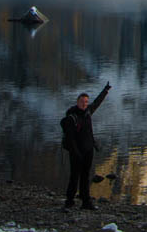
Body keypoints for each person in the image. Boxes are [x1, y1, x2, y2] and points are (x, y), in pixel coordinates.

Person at [61, 82, 111, 210]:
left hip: (88, 150)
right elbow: (70, 138)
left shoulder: (88, 112)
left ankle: (85, 201)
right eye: (82, 101)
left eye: (86, 101)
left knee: (86, 176)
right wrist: (75, 152)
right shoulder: (72, 117)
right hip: (77, 152)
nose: (85, 103)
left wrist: (105, 91)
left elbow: (97, 103)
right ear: (77, 102)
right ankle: (69, 201)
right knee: (74, 176)